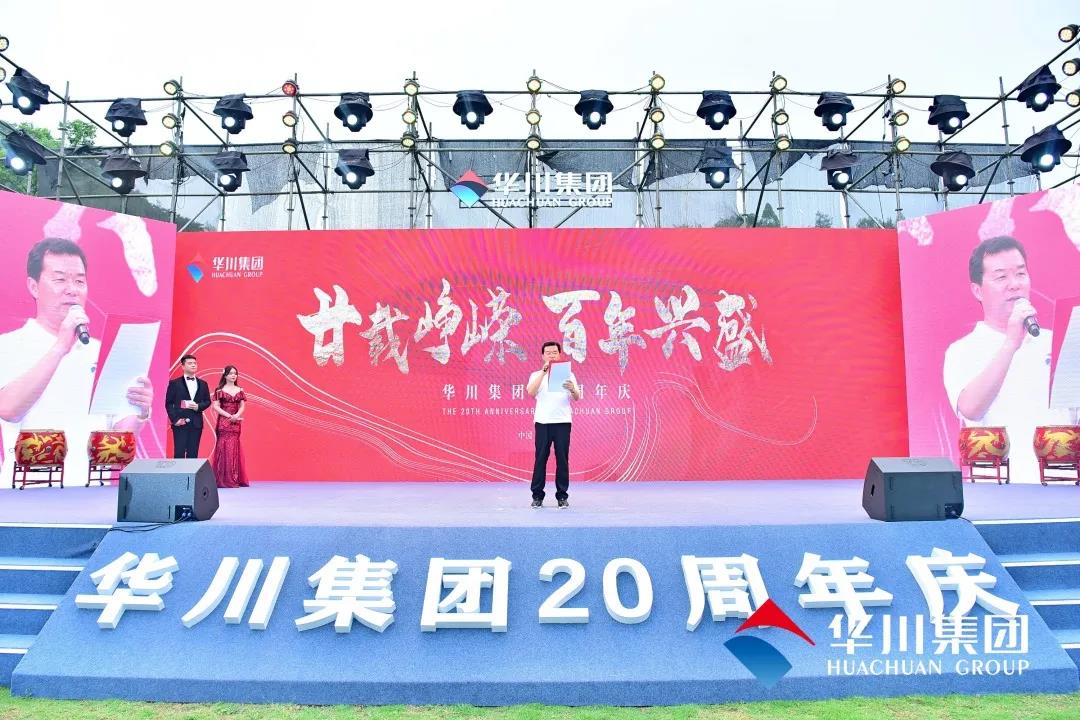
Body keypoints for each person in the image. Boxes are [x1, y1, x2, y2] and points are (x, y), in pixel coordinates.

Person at [0, 238, 153, 484]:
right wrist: (61, 346)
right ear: (34, 286)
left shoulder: (103, 352)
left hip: (89, 491)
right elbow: (8, 409)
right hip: (26, 491)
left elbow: (118, 439)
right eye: (60, 279)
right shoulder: (8, 345)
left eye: (79, 281)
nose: (72, 289)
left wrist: (140, 411)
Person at [944, 236, 1078, 482]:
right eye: (1001, 277)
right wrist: (1011, 343)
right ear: (977, 290)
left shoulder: (1057, 341)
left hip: (1064, 485)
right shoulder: (962, 350)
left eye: (1020, 274)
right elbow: (971, 408)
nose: (1014, 284)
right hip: (998, 489)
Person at [525, 341, 581, 508]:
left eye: (554, 352)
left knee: (562, 460)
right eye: (548, 352)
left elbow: (577, 397)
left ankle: (562, 496)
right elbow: (531, 392)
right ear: (543, 356)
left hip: (562, 422)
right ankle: (537, 496)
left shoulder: (568, 374)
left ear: (559, 354)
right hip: (543, 422)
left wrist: (572, 388)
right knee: (540, 459)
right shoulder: (536, 375)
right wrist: (544, 372)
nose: (551, 355)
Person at [165, 354, 211, 459]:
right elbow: (168, 403)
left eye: (195, 363)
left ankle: (191, 471)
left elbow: (207, 401)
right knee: (179, 453)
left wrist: (198, 406)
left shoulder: (203, 384)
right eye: (190, 363)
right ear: (183, 366)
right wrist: (175, 420)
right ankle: (178, 471)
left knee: (193, 454)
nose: (193, 365)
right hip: (180, 422)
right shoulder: (174, 383)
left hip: (196, 423)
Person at [210, 365, 249, 488]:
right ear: (225, 375)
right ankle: (222, 479)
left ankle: (234, 478)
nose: (233, 375)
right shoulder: (219, 390)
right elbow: (215, 406)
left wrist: (236, 416)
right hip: (224, 422)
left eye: (235, 373)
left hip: (235, 422)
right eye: (231, 373)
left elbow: (242, 406)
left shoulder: (240, 390)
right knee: (223, 448)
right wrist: (229, 416)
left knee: (234, 448)